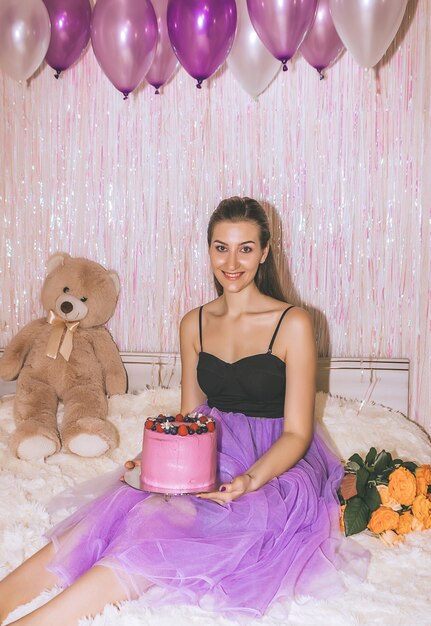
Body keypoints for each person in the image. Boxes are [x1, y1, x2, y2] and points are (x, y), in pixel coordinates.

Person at [0, 197, 368, 626]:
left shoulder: (294, 324)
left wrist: (249, 480)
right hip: (205, 446)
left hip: (275, 461)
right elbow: (190, 416)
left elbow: (297, 433)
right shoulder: (193, 323)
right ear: (209, 249)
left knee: (162, 523)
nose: (231, 261)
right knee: (118, 510)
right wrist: (155, 460)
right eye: (221, 247)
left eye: (245, 248)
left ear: (265, 252)